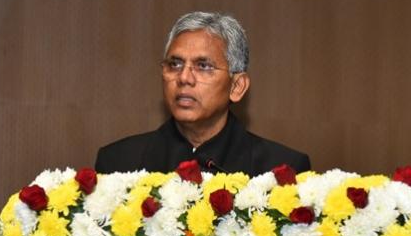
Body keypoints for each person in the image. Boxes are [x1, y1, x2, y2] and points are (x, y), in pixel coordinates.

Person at [95, 12, 310, 176]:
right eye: (175, 64)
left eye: (203, 66)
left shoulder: (282, 171)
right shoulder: (118, 164)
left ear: (237, 87)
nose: (184, 78)